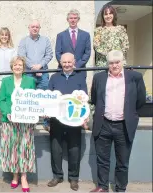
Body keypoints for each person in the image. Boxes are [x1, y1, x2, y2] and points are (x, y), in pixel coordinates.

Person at [90, 50, 146, 192]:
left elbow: (140, 100)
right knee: (102, 160)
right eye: (111, 63)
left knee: (122, 162)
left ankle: (120, 188)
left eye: (117, 62)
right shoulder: (99, 78)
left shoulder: (135, 77)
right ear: (107, 64)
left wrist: (129, 114)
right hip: (103, 124)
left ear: (123, 62)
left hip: (124, 125)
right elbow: (95, 98)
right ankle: (102, 187)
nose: (114, 65)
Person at [47, 53, 88, 191]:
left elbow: (84, 98)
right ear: (60, 62)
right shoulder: (54, 77)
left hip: (74, 119)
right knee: (55, 148)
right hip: (56, 119)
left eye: (69, 62)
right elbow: (49, 96)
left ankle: (73, 178)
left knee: (74, 148)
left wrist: (84, 117)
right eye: (64, 62)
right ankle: (57, 176)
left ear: (74, 62)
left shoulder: (80, 78)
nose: (67, 64)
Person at [0, 56, 36, 193]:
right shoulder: (6, 81)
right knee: (12, 149)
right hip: (9, 121)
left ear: (24, 67)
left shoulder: (31, 81)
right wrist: (7, 113)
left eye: (20, 65)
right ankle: (15, 176)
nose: (17, 67)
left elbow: (34, 99)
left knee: (25, 148)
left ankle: (24, 177)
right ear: (12, 67)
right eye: (15, 65)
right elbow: (1, 99)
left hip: (25, 122)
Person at [18, 20, 53, 130]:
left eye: (37, 27)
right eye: (32, 26)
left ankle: (46, 123)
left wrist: (40, 66)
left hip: (43, 74)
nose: (35, 28)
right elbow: (21, 56)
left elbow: (49, 54)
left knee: (45, 98)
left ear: (39, 28)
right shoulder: (23, 41)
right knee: (29, 99)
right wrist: (33, 67)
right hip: (29, 74)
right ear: (29, 28)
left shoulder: (45, 40)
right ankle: (30, 123)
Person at [55, 9, 91, 78]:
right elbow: (58, 53)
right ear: (67, 19)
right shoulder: (60, 35)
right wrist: (67, 65)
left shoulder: (86, 35)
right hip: (64, 70)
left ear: (78, 19)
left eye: (75, 18)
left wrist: (77, 65)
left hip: (80, 70)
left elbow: (87, 52)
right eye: (71, 18)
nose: (73, 20)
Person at [94, 5, 129, 69]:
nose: (108, 16)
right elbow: (97, 46)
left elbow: (126, 46)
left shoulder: (121, 29)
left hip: (119, 63)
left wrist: (116, 57)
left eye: (110, 13)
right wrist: (110, 56)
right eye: (106, 14)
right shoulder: (98, 30)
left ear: (114, 15)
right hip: (104, 64)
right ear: (103, 16)